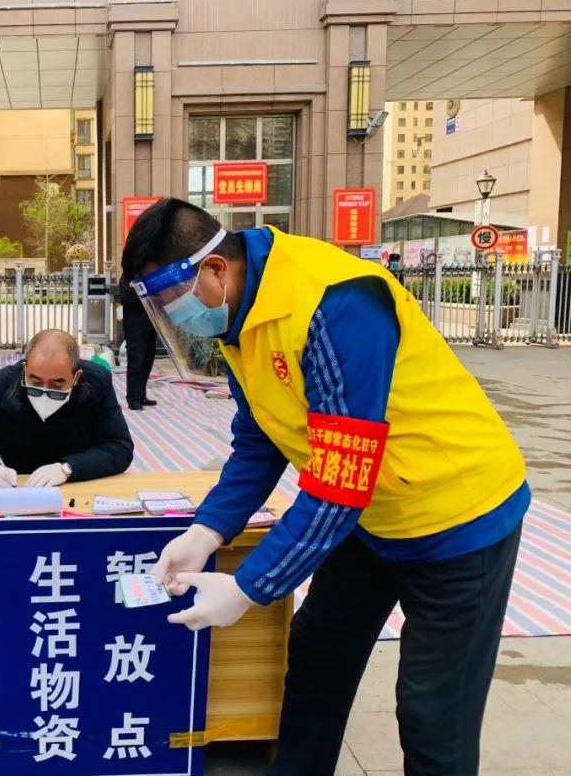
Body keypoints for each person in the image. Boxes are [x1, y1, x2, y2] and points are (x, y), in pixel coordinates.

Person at [123, 199, 528, 776]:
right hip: (369, 518)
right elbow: (259, 439)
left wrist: (248, 588)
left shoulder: (334, 302)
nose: (176, 316)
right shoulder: (240, 316)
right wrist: (206, 530)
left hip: (457, 517)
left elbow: (340, 482)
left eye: (173, 300)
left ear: (213, 269)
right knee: (317, 660)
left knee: (433, 713)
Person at [0, 329, 133, 488]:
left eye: (57, 385)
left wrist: (68, 468)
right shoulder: (0, 387)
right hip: (16, 490)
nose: (44, 392)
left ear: (77, 377)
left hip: (77, 488)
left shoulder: (96, 383)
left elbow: (119, 447)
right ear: (24, 369)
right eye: (35, 382)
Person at [119, 272, 158, 410]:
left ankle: (141, 395)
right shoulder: (127, 277)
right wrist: (146, 292)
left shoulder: (149, 274)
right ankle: (133, 399)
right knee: (136, 362)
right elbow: (127, 298)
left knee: (147, 361)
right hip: (135, 326)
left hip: (150, 325)